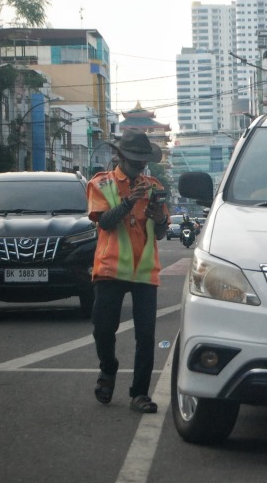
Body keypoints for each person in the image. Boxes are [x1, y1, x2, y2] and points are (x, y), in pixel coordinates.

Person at [86, 128, 170, 414]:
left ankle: (140, 393)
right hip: (110, 269)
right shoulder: (102, 184)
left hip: (145, 271)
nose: (139, 168)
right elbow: (105, 223)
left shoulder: (155, 186)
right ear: (119, 156)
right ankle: (108, 369)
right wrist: (129, 201)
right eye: (133, 161)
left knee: (146, 335)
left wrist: (159, 219)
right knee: (103, 329)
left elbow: (159, 233)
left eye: (142, 162)